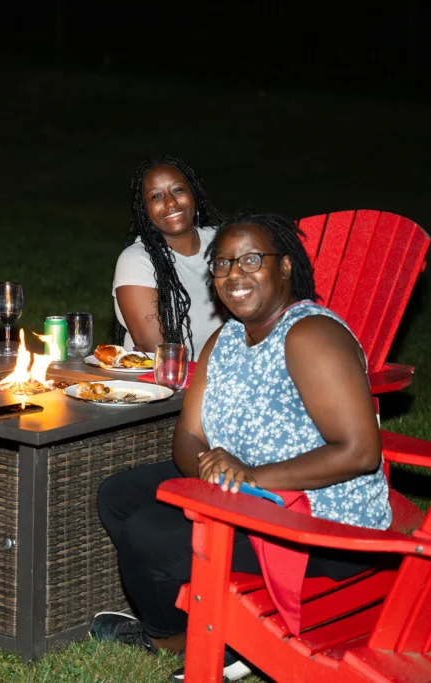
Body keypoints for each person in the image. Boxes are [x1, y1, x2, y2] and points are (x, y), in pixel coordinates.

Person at [92, 213, 392, 680]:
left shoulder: (311, 335)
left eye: (252, 260)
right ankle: (213, 613)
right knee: (119, 495)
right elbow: (188, 437)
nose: (235, 274)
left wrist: (249, 477)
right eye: (224, 264)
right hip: (251, 495)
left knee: (149, 535)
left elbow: (358, 452)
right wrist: (215, 471)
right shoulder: (226, 338)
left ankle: (171, 638)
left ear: (286, 267)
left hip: (321, 524)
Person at [112, 155, 226, 359]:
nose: (171, 203)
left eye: (178, 190)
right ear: (144, 210)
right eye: (156, 196)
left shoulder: (225, 243)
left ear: (194, 194)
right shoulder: (137, 261)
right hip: (167, 387)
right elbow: (159, 353)